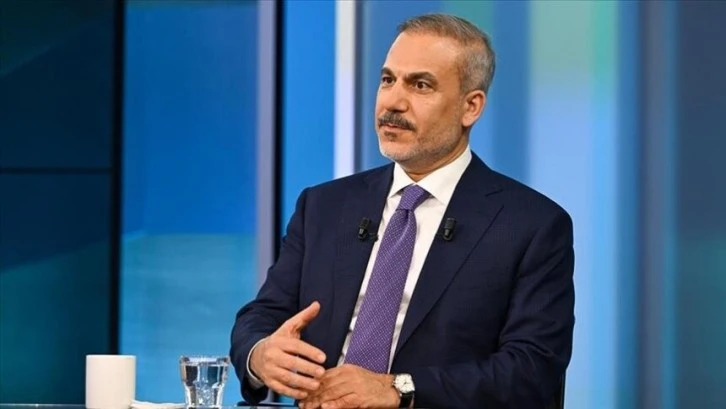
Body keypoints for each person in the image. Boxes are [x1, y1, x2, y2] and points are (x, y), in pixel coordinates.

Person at [230, 13, 574, 409]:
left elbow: (531, 371)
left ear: (471, 107)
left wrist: (399, 389)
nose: (393, 102)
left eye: (420, 85)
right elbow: (262, 316)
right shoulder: (324, 206)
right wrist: (260, 355)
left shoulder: (530, 225)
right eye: (387, 79)